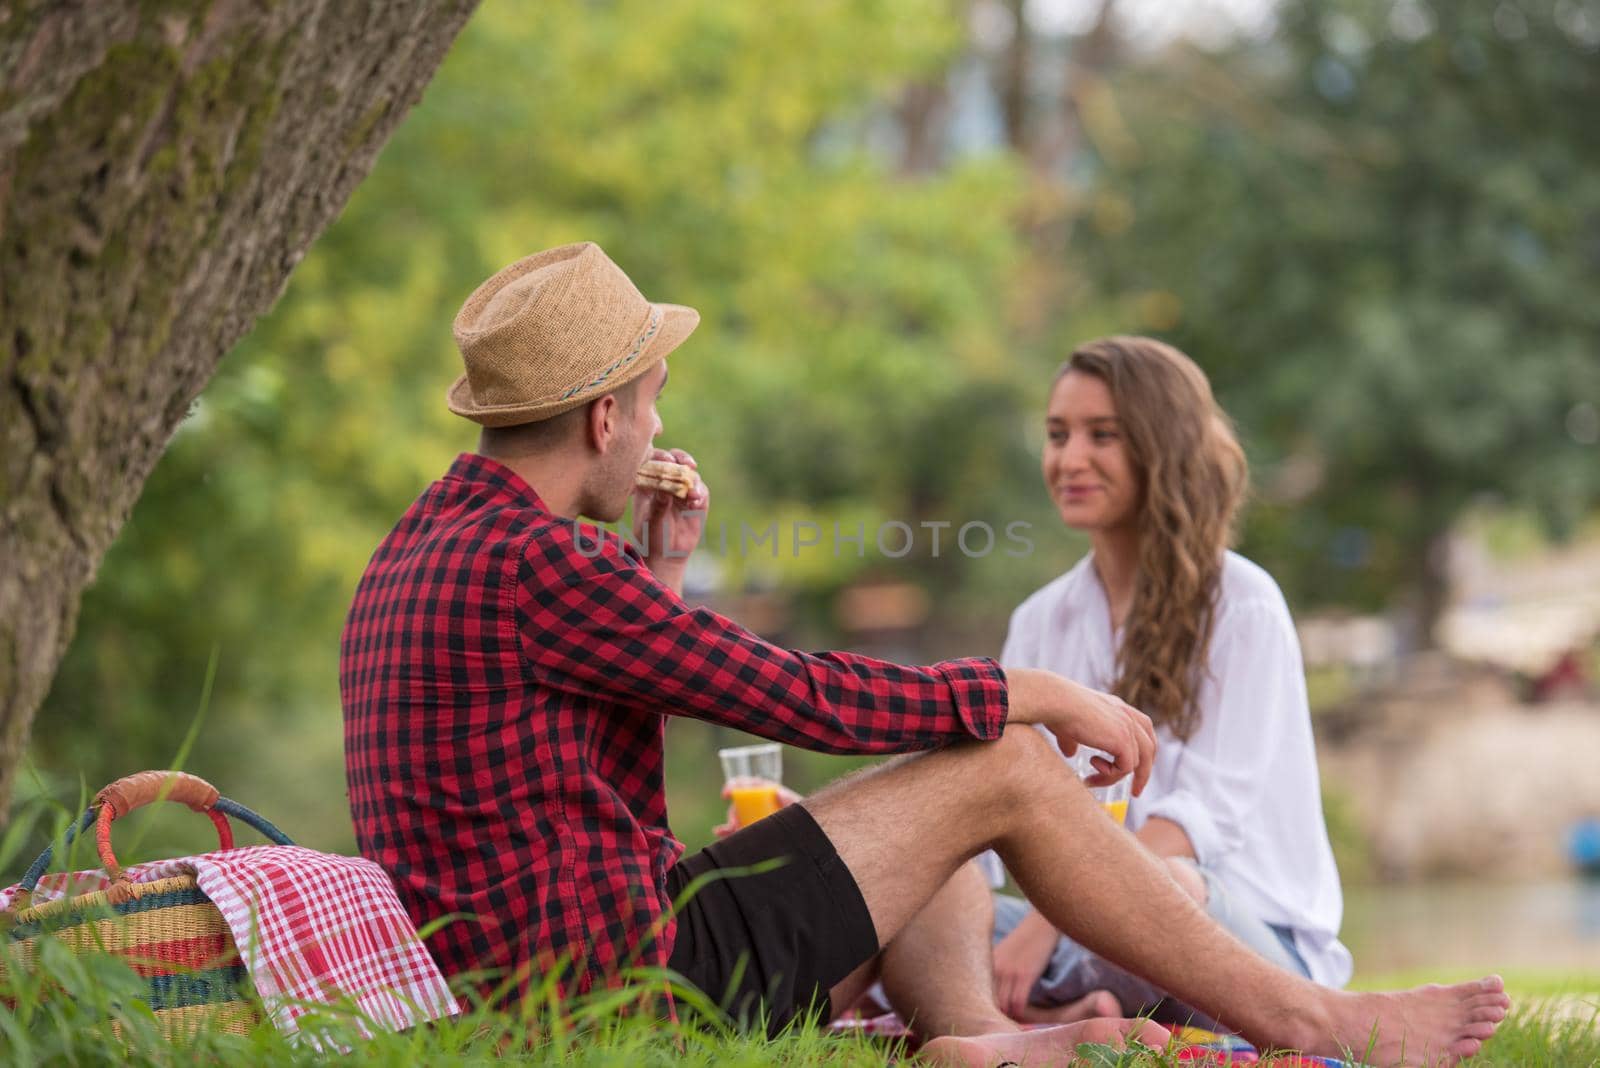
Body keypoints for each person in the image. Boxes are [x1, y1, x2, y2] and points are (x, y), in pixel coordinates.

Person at [340, 242, 1508, 1066]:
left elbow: (591, 738)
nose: (651, 429)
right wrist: (1037, 696)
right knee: (994, 764)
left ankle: (984, 1047)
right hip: (623, 989)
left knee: (930, 807)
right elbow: (797, 693)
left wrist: (662, 576)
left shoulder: (424, 549)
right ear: (604, 419)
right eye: (647, 404)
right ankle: (1314, 1022)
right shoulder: (538, 564)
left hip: (544, 981)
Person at [985, 336, 1353, 1028]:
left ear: (1160, 445)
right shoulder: (1040, 622)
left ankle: (1051, 1013)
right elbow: (983, 803)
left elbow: (1203, 821)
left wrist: (1042, 928)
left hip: (1244, 946)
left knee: (1168, 888)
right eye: (1058, 435)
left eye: (1104, 436)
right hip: (1086, 938)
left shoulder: (1242, 603)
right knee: (924, 920)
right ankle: (1074, 1018)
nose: (1070, 459)